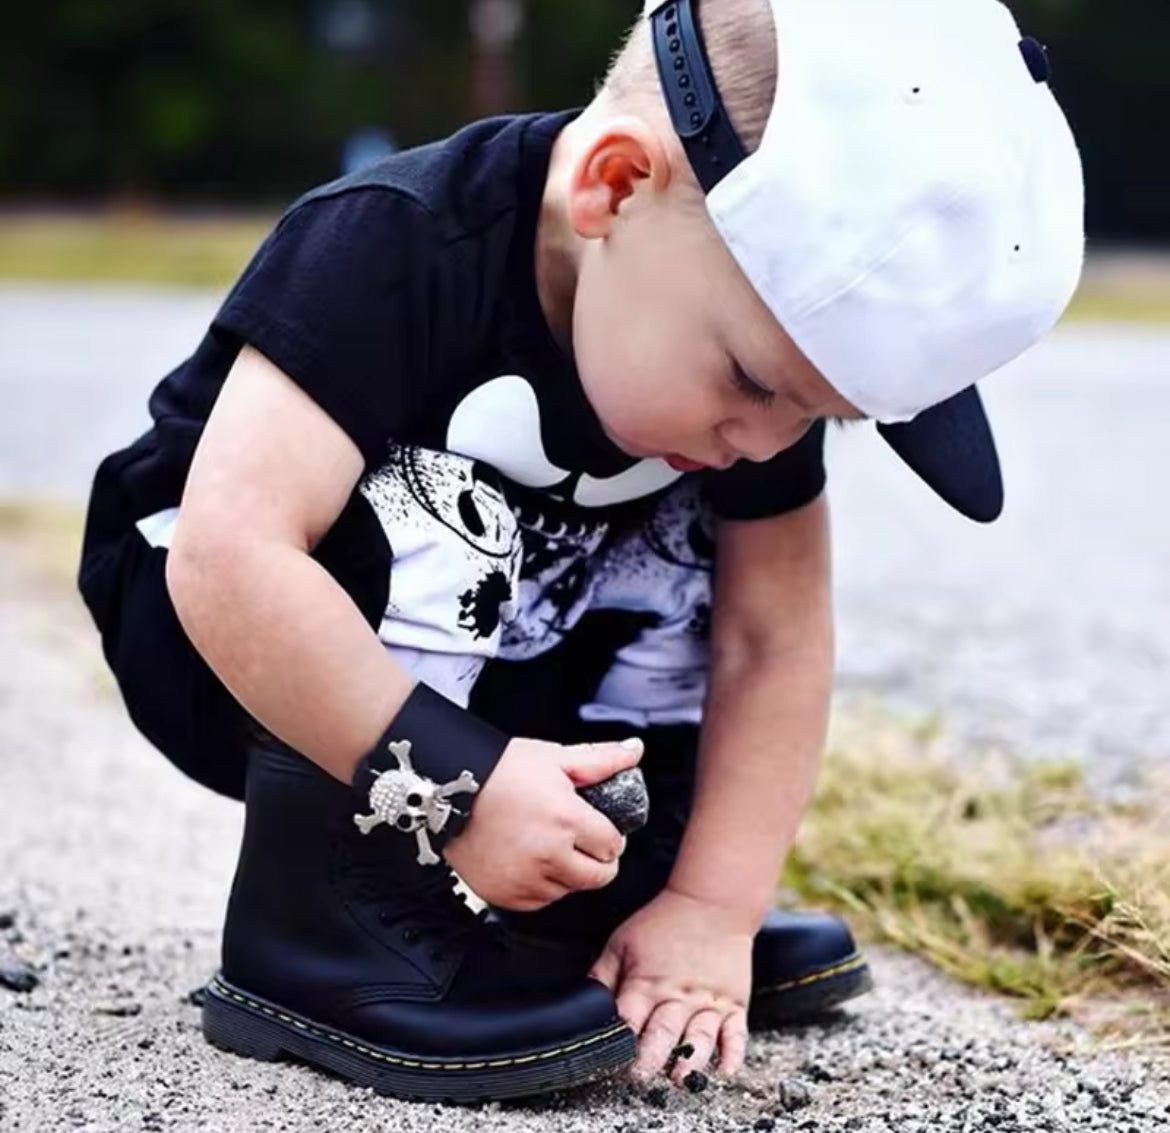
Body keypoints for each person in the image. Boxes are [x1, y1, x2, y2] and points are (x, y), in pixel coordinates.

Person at [76, 0, 1084, 1105]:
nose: (763, 439)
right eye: (751, 378)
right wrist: (462, 786)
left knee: (709, 557)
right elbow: (231, 554)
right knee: (440, 507)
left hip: (505, 651)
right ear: (613, 188)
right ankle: (326, 925)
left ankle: (609, 898)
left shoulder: (731, 366)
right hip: (221, 625)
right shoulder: (399, 241)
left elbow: (772, 641)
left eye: (817, 413)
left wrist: (713, 907)